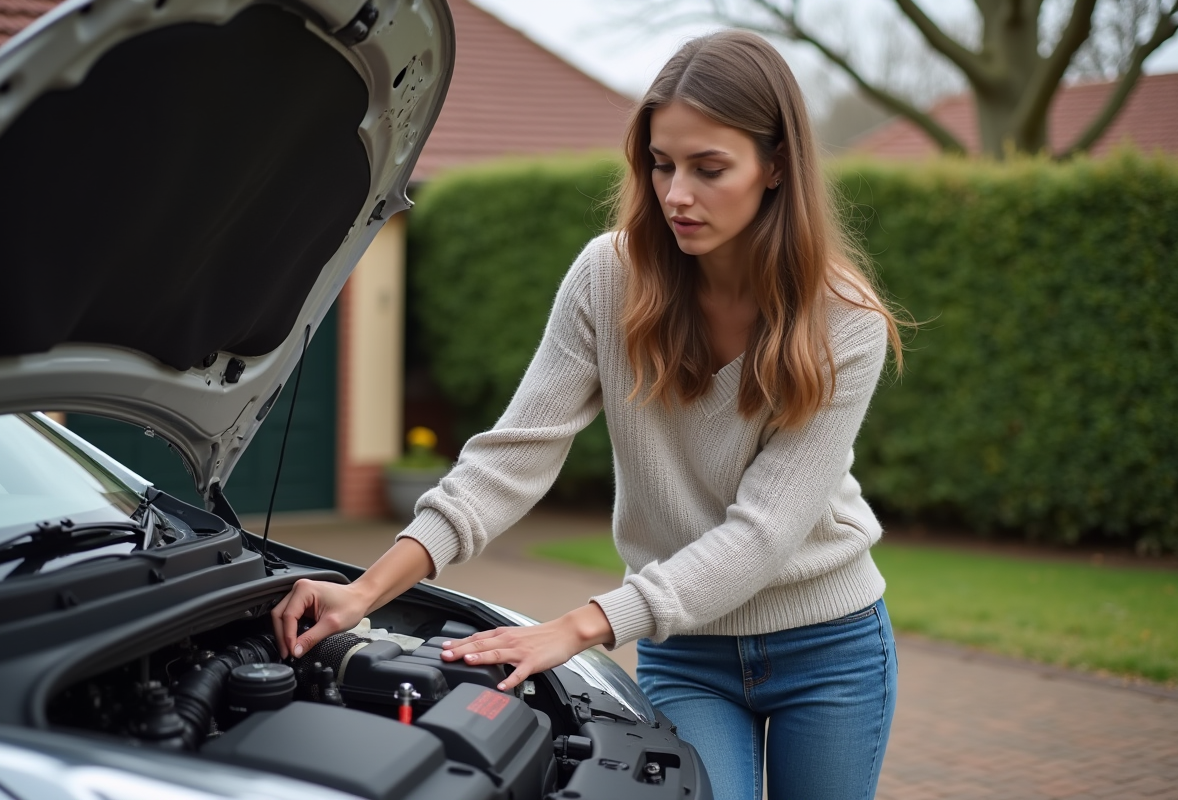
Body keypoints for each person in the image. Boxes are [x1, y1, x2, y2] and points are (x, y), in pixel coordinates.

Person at [272, 29, 904, 800]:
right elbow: (511, 458)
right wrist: (366, 592)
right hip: (688, 651)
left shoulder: (845, 319)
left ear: (776, 166)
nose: (676, 195)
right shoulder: (610, 277)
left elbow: (763, 533)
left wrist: (576, 628)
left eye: (709, 169)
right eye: (662, 164)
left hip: (829, 649)